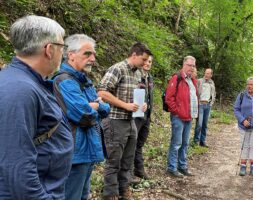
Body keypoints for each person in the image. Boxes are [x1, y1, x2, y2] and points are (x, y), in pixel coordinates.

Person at [0, 15, 73, 199]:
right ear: (49, 50)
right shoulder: (20, 89)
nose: (62, 53)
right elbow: (16, 163)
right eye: (61, 47)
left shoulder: (27, 82)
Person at [52, 34, 110, 200]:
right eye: (87, 54)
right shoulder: (65, 81)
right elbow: (85, 116)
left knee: (83, 195)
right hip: (74, 153)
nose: (92, 58)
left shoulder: (84, 81)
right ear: (71, 55)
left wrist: (97, 105)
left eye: (93, 54)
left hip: (87, 149)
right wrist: (95, 105)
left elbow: (105, 110)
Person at [98, 42, 152, 200]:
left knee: (128, 159)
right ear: (134, 55)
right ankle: (110, 193)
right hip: (115, 120)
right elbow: (102, 92)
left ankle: (124, 189)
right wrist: (125, 105)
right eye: (143, 59)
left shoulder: (137, 73)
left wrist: (142, 104)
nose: (145, 63)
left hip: (131, 122)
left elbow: (134, 95)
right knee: (114, 159)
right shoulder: (118, 68)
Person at [165, 56, 198, 178]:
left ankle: (182, 166)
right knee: (176, 143)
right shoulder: (177, 78)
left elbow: (194, 98)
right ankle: (172, 167)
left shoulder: (193, 80)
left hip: (189, 117)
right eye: (189, 65)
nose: (191, 67)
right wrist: (177, 111)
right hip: (178, 117)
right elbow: (169, 98)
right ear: (184, 65)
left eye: (193, 65)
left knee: (185, 143)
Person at [132, 55, 154, 180]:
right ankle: (129, 172)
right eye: (146, 61)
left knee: (139, 144)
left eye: (150, 62)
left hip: (146, 116)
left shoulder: (149, 78)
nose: (147, 63)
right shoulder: (136, 76)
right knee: (132, 144)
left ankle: (139, 170)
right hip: (136, 115)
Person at [194, 68, 216, 147]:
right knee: (199, 124)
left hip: (208, 105)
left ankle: (202, 141)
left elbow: (214, 93)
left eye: (208, 73)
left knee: (205, 124)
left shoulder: (212, 83)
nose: (206, 75)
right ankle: (196, 141)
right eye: (206, 73)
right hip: (200, 105)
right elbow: (195, 92)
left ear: (211, 75)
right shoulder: (199, 81)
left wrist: (211, 102)